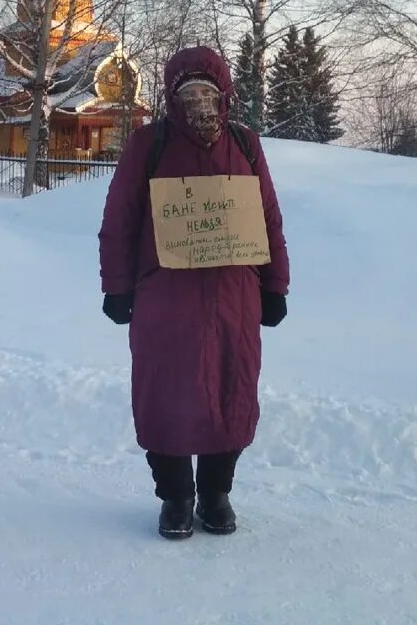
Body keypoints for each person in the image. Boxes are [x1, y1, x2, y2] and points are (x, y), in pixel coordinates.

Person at [98, 46, 290, 539]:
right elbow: (120, 220)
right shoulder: (150, 144)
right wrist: (117, 287)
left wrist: (275, 285)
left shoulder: (245, 144)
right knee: (166, 393)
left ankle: (216, 493)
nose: (198, 101)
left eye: (207, 91)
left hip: (234, 298)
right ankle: (176, 498)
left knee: (230, 390)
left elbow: (267, 217)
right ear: (171, 96)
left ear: (224, 94)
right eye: (188, 92)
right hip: (166, 299)